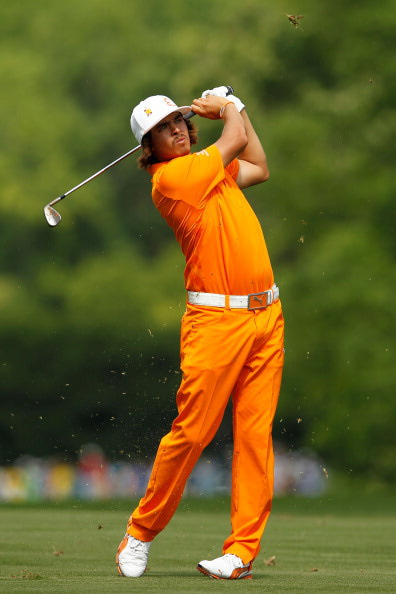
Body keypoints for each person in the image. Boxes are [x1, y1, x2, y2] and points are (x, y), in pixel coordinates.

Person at [116, 87, 285, 580]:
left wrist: (238, 108)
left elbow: (258, 163)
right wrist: (228, 105)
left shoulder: (211, 173)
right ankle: (141, 532)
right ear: (151, 148)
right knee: (193, 432)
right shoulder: (174, 179)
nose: (175, 131)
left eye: (178, 122)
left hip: (266, 317)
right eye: (163, 130)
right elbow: (233, 139)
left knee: (255, 437)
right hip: (215, 323)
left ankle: (241, 552)